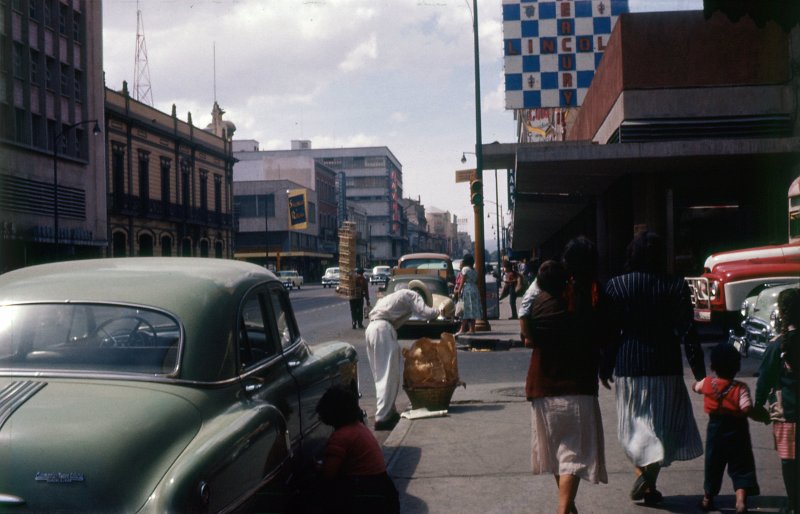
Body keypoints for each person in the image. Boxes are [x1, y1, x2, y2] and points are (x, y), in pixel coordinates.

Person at [601, 231, 706, 505]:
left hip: (629, 363)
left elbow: (610, 332)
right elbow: (688, 331)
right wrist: (700, 373)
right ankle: (649, 482)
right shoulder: (676, 285)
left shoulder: (617, 286)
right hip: (666, 362)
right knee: (661, 427)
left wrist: (604, 365)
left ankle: (645, 477)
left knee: (634, 427)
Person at [524, 238, 608, 514]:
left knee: (558, 454)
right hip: (579, 387)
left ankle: (567, 507)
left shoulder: (540, 302)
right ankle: (564, 509)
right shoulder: (592, 299)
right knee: (572, 454)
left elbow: (529, 337)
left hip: (543, 386)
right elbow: (600, 338)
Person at [312, 385, 400, 514]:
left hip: (366, 495)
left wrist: (317, 467)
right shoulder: (359, 427)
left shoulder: (341, 437)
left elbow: (328, 473)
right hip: (384, 489)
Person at [693, 343, 759, 514]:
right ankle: (740, 502)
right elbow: (746, 408)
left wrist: (697, 385)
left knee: (713, 464)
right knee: (741, 465)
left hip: (715, 430)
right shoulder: (740, 388)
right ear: (736, 367)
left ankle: (707, 499)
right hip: (738, 432)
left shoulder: (708, 383)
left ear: (713, 366)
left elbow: (696, 387)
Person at [365, 288, 444, 430]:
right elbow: (425, 312)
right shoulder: (412, 295)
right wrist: (439, 311)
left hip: (371, 329)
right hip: (383, 329)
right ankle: (382, 418)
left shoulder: (395, 296)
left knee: (380, 375)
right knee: (389, 375)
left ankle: (389, 412)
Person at [754, 287, 799, 514]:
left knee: (789, 462)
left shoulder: (776, 345)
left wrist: (757, 405)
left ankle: (794, 503)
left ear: (781, 312)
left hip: (787, 415)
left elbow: (764, 379)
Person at [454, 253, 481, 336]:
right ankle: (472, 329)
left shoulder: (465, 269)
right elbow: (477, 281)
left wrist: (459, 290)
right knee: (473, 309)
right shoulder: (474, 271)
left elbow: (463, 280)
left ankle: (462, 329)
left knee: (466, 309)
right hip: (474, 289)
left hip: (467, 289)